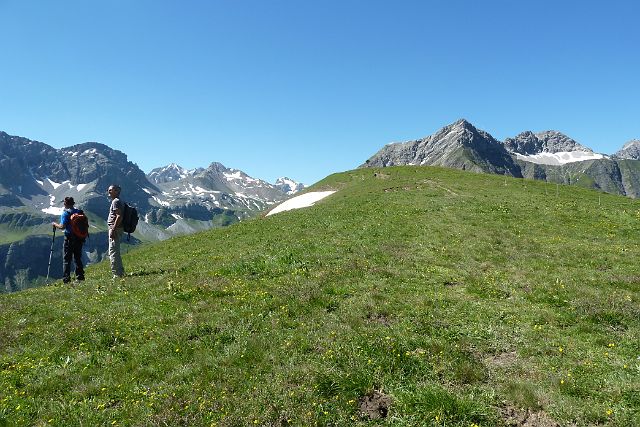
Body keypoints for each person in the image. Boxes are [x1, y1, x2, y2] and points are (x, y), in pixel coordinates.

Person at [52, 196, 85, 283]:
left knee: (67, 259)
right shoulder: (78, 212)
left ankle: (66, 279)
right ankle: (80, 277)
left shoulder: (65, 213)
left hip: (69, 238)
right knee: (77, 257)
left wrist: (55, 224)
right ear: (73, 203)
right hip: (79, 237)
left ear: (65, 204)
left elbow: (62, 227)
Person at [107, 184, 125, 278]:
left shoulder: (116, 202)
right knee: (115, 251)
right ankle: (120, 271)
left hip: (115, 229)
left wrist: (113, 229)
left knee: (113, 251)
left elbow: (119, 216)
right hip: (116, 228)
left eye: (111, 190)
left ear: (117, 191)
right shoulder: (117, 201)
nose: (108, 192)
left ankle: (117, 274)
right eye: (108, 190)